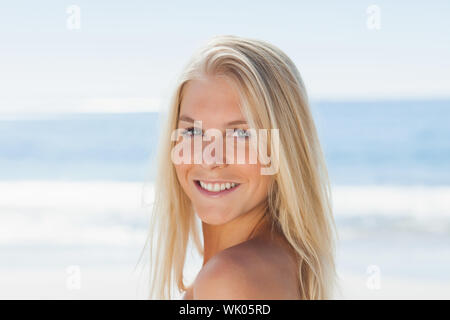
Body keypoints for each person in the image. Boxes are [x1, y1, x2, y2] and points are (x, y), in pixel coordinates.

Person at [147, 35, 338, 299]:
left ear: (284, 149)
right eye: (192, 131)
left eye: (241, 134)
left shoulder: (229, 279)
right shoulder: (279, 264)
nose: (209, 159)